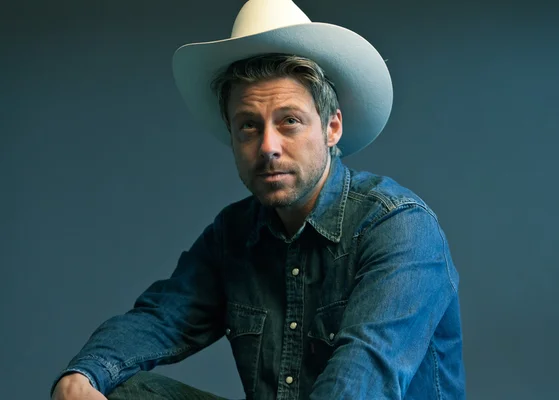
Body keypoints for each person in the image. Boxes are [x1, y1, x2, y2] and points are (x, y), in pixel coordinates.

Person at [50, 0, 466, 399]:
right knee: (119, 391)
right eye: (249, 126)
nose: (268, 146)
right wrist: (82, 373)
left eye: (289, 121)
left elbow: (362, 379)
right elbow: (161, 319)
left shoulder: (400, 228)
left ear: (332, 127)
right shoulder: (234, 234)